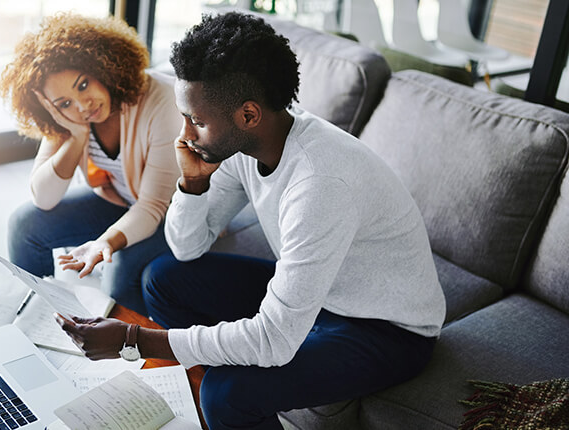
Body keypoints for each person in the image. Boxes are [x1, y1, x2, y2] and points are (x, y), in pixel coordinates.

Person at [55, 11, 447, 429]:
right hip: (324, 296)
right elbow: (188, 248)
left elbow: (276, 340)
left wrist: (133, 339)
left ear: (247, 115)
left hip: (385, 330)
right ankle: (201, 398)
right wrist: (192, 184)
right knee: (163, 278)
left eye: (197, 121)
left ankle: (221, 403)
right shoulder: (246, 146)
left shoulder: (319, 182)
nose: (184, 134)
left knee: (227, 395)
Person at [0, 13, 181, 315]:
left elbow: (152, 208)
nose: (83, 106)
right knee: (24, 225)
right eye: (64, 103)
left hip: (176, 216)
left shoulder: (161, 101)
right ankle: (37, 322)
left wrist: (104, 242)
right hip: (123, 201)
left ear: (103, 65)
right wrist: (77, 136)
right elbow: (44, 198)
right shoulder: (71, 120)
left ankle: (131, 357)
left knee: (118, 275)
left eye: (83, 85)